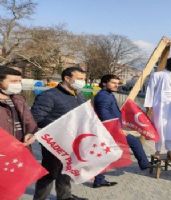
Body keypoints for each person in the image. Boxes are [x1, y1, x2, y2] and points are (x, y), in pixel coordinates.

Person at [31, 67, 87, 200]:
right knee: (49, 173)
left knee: (66, 169)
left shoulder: (79, 94)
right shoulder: (49, 96)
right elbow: (36, 117)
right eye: (79, 79)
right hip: (54, 141)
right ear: (67, 78)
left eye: (83, 79)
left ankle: (65, 196)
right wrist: (60, 128)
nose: (82, 82)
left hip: (73, 141)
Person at [92, 74, 150, 188]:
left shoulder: (107, 94)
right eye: (113, 83)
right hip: (110, 129)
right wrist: (118, 129)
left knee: (105, 153)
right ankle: (145, 164)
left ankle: (99, 180)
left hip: (109, 128)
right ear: (104, 83)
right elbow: (104, 115)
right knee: (134, 142)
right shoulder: (104, 96)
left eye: (117, 83)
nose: (116, 85)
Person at [0, 66, 36, 145]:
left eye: (19, 81)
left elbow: (29, 121)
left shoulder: (19, 100)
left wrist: (30, 133)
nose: (18, 84)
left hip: (21, 147)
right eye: (13, 81)